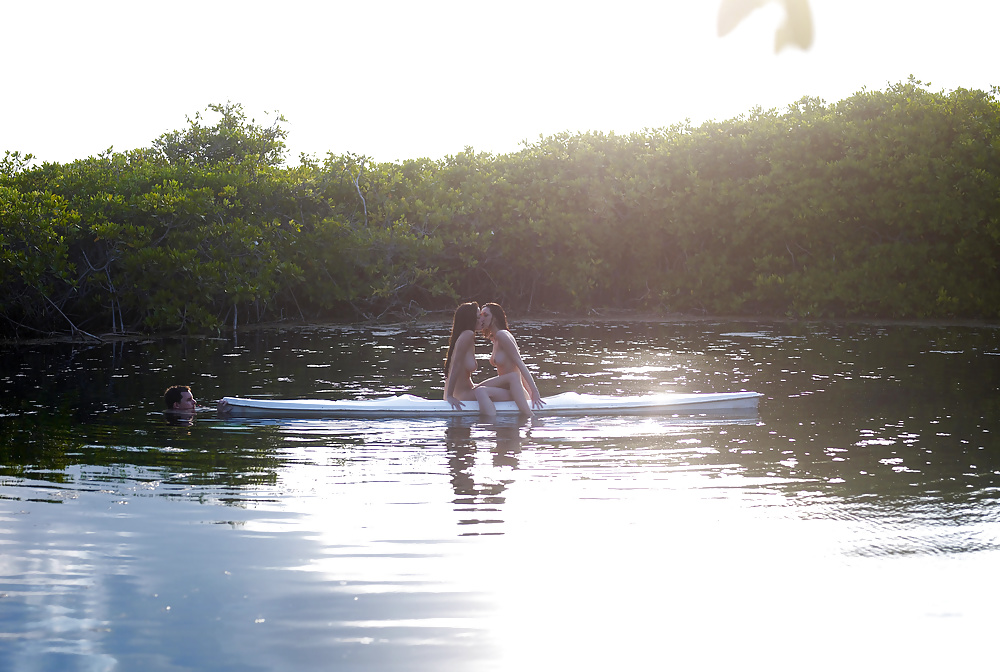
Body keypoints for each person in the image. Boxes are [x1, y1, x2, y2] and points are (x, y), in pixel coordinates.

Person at [443, 302, 523, 416]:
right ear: (470, 320)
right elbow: (455, 365)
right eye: (478, 317)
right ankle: (526, 410)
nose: (481, 320)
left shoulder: (465, 335)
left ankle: (526, 399)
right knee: (512, 377)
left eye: (482, 316)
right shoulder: (467, 335)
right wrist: (450, 396)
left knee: (509, 381)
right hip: (463, 395)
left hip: (469, 390)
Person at [475, 302, 545, 412]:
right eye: (481, 315)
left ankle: (489, 425)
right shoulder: (495, 338)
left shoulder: (502, 335)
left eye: (486, 315)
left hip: (515, 392)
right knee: (474, 389)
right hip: (505, 390)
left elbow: (519, 364)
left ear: (496, 317)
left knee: (480, 391)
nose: (482, 318)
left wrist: (534, 392)